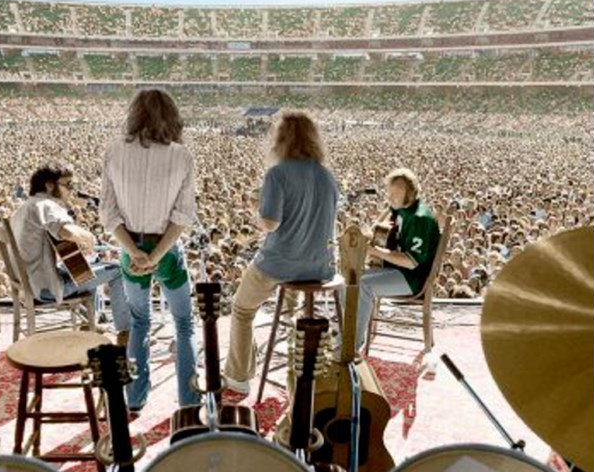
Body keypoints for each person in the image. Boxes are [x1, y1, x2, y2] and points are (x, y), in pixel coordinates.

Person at [223, 112, 339, 396]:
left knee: (241, 309)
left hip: (281, 263)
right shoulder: (327, 176)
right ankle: (292, 337)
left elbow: (270, 224)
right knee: (290, 301)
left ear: (280, 139)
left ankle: (239, 375)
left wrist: (256, 213)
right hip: (320, 267)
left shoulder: (277, 173)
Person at [100, 89, 199, 410]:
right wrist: (156, 256)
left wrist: (136, 253)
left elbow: (109, 214)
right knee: (183, 324)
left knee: (140, 321)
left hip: (131, 248)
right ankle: (188, 401)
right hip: (167, 250)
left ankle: (135, 398)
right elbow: (183, 216)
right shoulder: (181, 156)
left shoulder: (114, 153)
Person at [11, 162, 129, 344]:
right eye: (68, 185)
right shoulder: (45, 205)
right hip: (46, 288)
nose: (71, 190)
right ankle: (126, 333)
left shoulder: (24, 207)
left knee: (88, 269)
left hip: (30, 283)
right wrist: (88, 236)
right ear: (49, 186)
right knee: (118, 270)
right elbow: (67, 232)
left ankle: (92, 322)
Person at [351, 168, 440, 352]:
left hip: (413, 278)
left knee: (363, 286)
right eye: (388, 193)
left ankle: (353, 343)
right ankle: (348, 329)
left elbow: (411, 262)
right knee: (350, 278)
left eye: (394, 194)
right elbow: (387, 220)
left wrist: (375, 251)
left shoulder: (419, 218)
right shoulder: (402, 207)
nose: (389, 198)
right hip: (397, 269)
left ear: (410, 193)